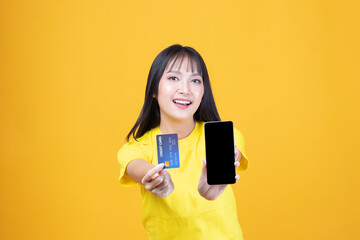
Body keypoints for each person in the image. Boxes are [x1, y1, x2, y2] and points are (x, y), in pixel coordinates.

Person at [117, 44, 249, 240]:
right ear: (153, 88)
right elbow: (136, 166)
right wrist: (157, 178)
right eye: (173, 78)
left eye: (195, 80)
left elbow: (232, 152)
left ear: (204, 91)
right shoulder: (136, 148)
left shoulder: (224, 135)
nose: (185, 89)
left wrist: (220, 175)